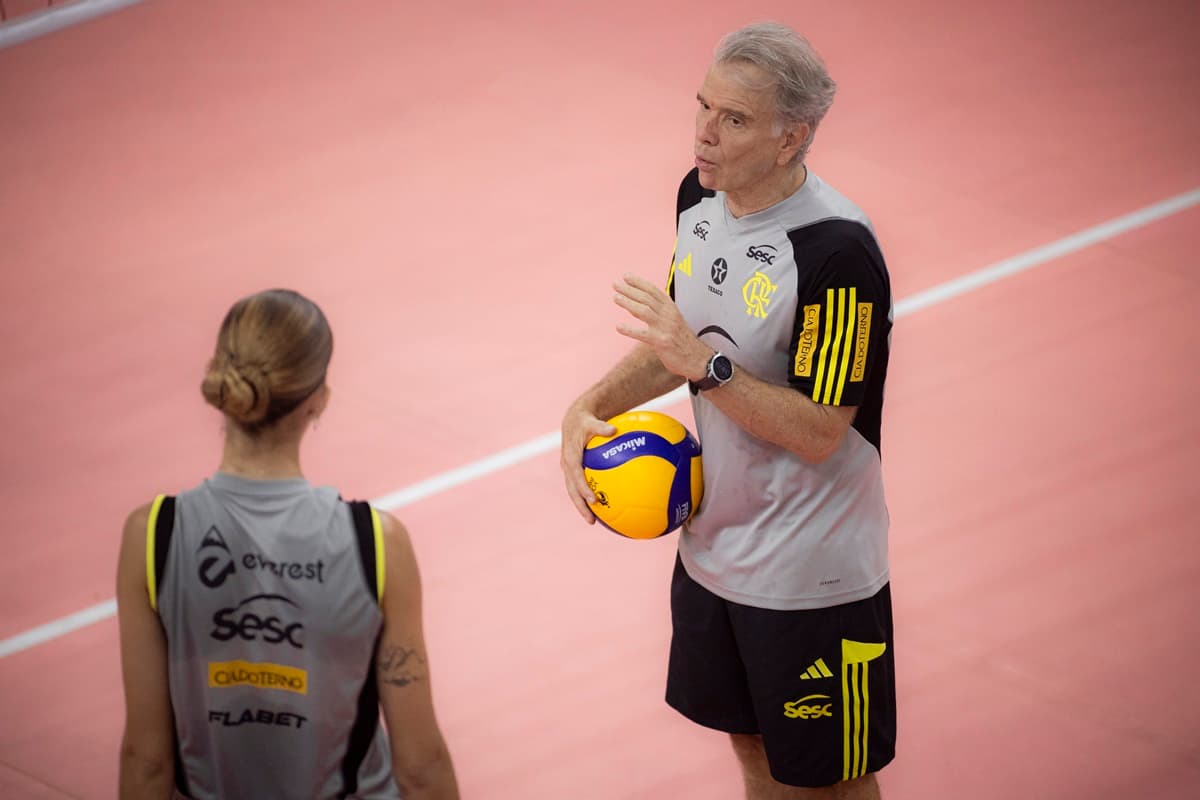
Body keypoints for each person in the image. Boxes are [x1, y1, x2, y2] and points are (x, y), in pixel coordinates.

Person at [561, 22, 895, 800]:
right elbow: (684, 334)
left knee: (833, 783)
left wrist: (706, 371)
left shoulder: (834, 253)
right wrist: (588, 405)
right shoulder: (698, 197)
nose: (704, 134)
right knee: (752, 755)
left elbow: (819, 431)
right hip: (713, 555)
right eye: (704, 106)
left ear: (792, 138)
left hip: (812, 577)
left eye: (734, 119)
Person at [116, 289, 459, 800]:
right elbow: (421, 766)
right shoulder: (377, 543)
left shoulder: (153, 533)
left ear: (220, 378)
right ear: (318, 400)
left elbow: (147, 761)